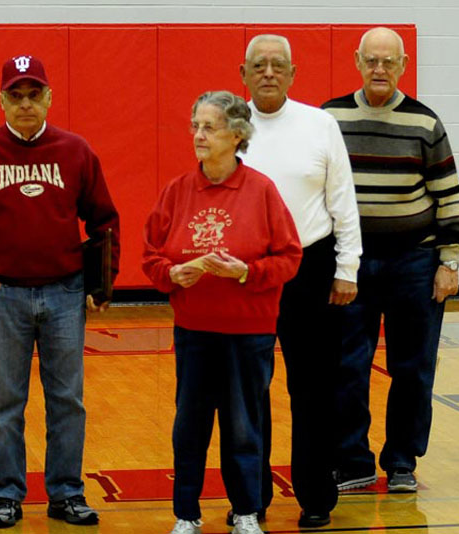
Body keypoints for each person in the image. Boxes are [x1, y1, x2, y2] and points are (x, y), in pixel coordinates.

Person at [0, 55, 120, 528]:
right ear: (0, 100)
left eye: (33, 94)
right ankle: (5, 495)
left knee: (67, 400)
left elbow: (103, 219)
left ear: (49, 98)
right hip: (1, 296)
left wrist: (102, 282)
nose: (25, 104)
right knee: (4, 401)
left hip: (64, 293)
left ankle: (66, 494)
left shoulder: (76, 151)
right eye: (15, 96)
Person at [142, 90, 302, 534]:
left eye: (209, 127)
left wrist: (246, 273)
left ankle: (246, 511)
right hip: (194, 331)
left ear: (237, 134)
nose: (198, 135)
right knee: (189, 426)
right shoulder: (176, 191)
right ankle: (186, 515)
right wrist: (176, 273)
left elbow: (289, 258)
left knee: (243, 426)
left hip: (248, 333)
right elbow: (151, 259)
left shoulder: (261, 191)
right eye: (195, 125)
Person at [322, 27, 459, 493]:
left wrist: (449, 262)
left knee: (413, 368)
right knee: (347, 366)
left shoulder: (425, 123)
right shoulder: (329, 118)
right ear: (357, 62)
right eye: (371, 60)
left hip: (415, 263)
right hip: (350, 265)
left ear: (403, 65)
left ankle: (402, 461)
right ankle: (353, 462)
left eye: (389, 61)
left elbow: (448, 196)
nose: (379, 69)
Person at [238, 34, 362, 527]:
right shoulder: (229, 124)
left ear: (293, 74)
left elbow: (343, 201)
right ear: (243, 73)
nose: (268, 72)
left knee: (313, 389)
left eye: (278, 65)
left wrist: (347, 269)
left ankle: (315, 496)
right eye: (259, 65)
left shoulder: (320, 124)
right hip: (246, 274)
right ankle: (253, 497)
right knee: (250, 390)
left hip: (311, 268)